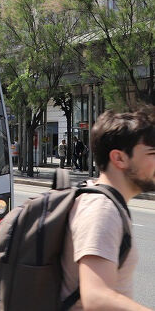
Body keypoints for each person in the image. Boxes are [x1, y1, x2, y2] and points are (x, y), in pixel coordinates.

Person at [60, 106, 155, 310]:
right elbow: (96, 297)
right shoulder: (102, 210)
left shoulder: (97, 198)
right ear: (119, 158)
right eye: (152, 152)